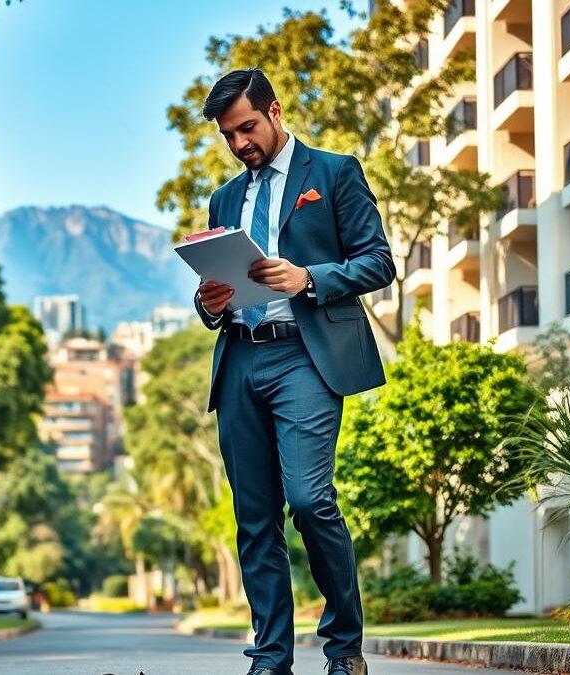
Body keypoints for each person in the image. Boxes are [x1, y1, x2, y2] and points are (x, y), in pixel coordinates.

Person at [193, 68, 395, 675]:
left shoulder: (333, 173)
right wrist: (209, 305)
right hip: (239, 357)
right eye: (229, 136)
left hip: (306, 356)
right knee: (255, 518)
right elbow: (216, 284)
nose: (240, 144)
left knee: (309, 500)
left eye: (247, 128)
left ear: (275, 112)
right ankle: (271, 658)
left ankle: (344, 649)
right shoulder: (225, 198)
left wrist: (310, 278)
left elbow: (378, 262)